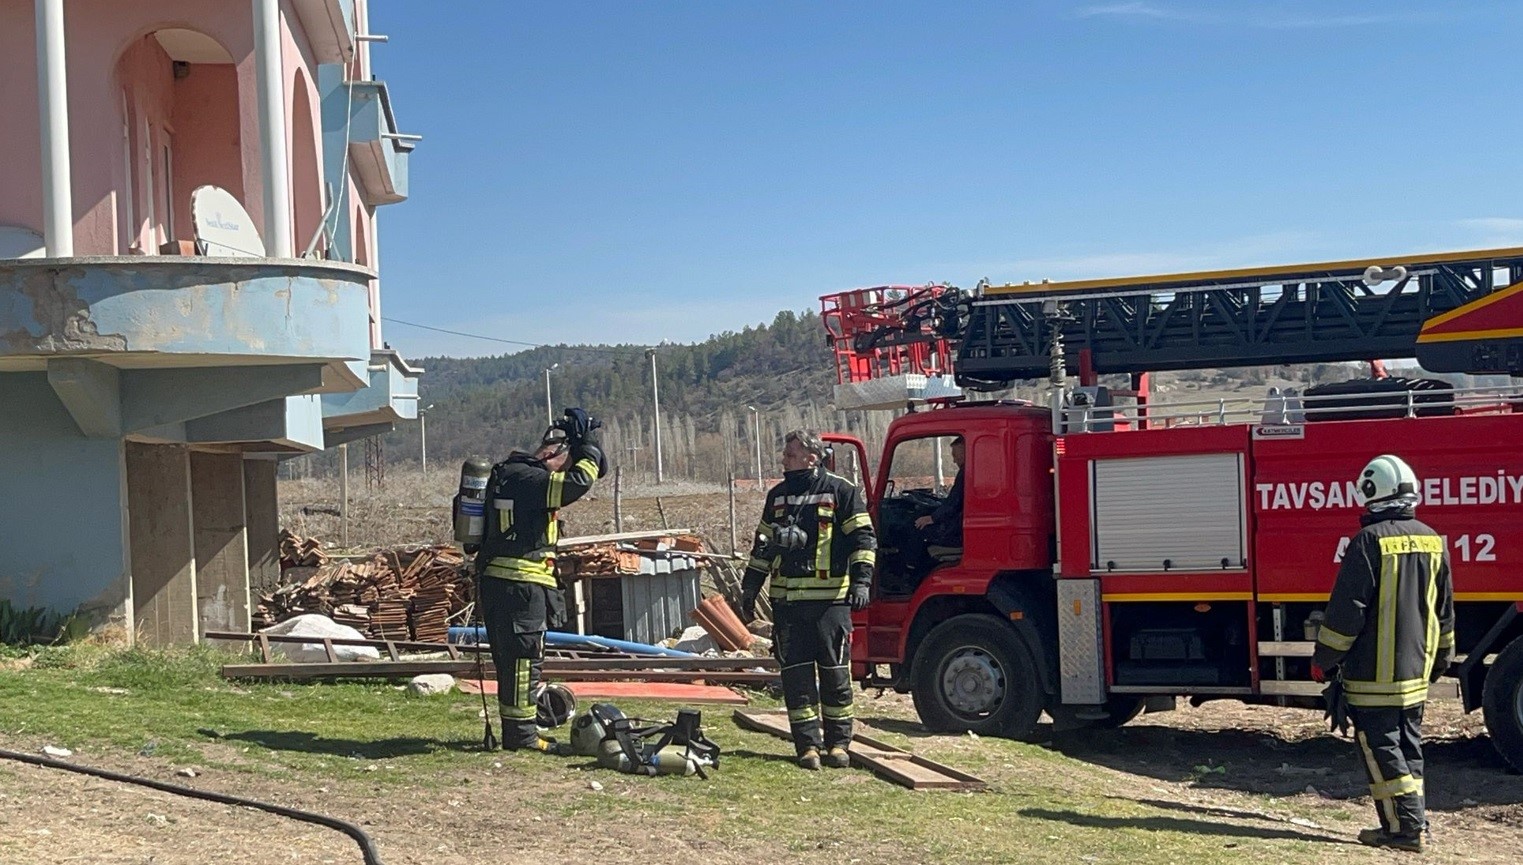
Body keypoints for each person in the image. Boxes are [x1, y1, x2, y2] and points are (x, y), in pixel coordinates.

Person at [1312, 454, 1454, 853]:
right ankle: (1415, 822)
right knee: (1408, 748)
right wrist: (1439, 660)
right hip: (1416, 672)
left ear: (1372, 494)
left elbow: (1346, 613)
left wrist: (1324, 659)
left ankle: (1403, 830)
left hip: (1374, 675)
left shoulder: (1368, 542)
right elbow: (1444, 610)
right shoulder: (1431, 537)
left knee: (1381, 748)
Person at [740, 429, 877, 770]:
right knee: (796, 681)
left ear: (812, 457)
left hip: (831, 604)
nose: (783, 460)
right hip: (788, 607)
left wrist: (861, 583)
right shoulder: (778, 497)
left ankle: (838, 745)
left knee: (835, 677)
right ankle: (807, 748)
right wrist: (749, 587)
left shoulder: (842, 491)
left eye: (790, 455)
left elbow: (864, 539)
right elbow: (762, 547)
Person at [475, 408, 605, 754]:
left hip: (508, 585)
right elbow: (575, 484)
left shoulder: (511, 475)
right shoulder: (527, 478)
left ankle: (518, 732)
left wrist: (585, 447)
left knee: (514, 662)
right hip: (519, 587)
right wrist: (588, 449)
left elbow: (589, 475)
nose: (563, 469)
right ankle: (522, 738)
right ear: (551, 454)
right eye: (564, 461)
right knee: (522, 662)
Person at [915, 436, 965, 555]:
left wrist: (932, 518)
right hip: (959, 525)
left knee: (916, 530)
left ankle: (910, 568)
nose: (954, 460)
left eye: (955, 455)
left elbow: (954, 503)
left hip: (957, 531)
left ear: (965, 451)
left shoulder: (965, 473)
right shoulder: (969, 471)